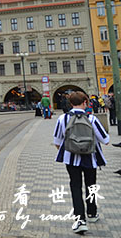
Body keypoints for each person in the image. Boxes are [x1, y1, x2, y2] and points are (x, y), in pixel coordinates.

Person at [53, 91, 109, 234]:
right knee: (91, 185)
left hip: (70, 159)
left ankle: (80, 220)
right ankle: (92, 213)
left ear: (70, 103)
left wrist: (72, 148)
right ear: (85, 102)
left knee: (75, 186)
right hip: (90, 158)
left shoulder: (62, 118)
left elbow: (57, 141)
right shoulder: (92, 119)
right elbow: (106, 140)